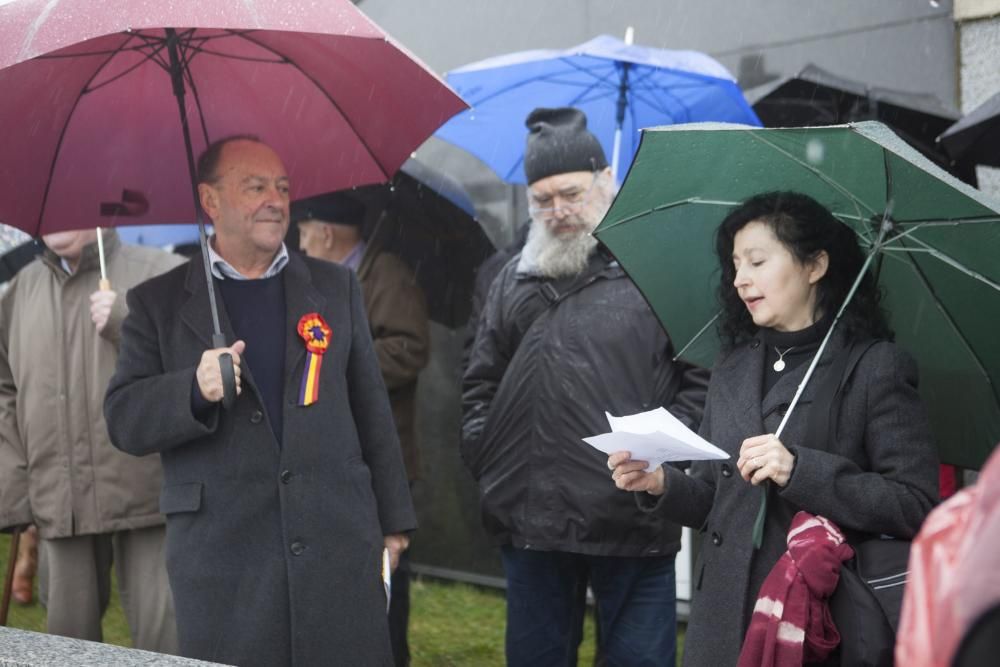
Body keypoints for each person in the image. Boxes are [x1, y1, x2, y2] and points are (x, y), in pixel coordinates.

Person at [103, 136, 416, 667]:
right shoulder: (156, 303)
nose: (276, 199)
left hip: (335, 541)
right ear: (210, 201)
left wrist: (394, 522)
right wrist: (192, 388)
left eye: (283, 187)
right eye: (255, 187)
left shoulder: (335, 288)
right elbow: (124, 418)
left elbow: (371, 411)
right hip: (223, 557)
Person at [609, 191, 939, 666]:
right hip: (721, 623)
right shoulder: (733, 366)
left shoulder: (874, 368)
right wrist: (660, 483)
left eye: (758, 261)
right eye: (735, 265)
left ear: (815, 265)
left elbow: (916, 504)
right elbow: (716, 502)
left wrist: (800, 469)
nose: (741, 279)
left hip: (815, 625)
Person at [462, 107, 709, 667]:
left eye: (570, 193)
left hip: (633, 515)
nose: (559, 211)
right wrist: (487, 455)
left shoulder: (659, 270)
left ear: (606, 182)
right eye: (543, 200)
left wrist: (661, 459)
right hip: (530, 521)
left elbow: (700, 381)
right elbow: (478, 382)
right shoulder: (510, 278)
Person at [0, 228, 182, 650]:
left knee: (165, 642)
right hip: (60, 501)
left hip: (147, 497)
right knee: (68, 644)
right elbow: (4, 386)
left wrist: (128, 322)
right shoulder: (20, 289)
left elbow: (197, 364)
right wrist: (12, 482)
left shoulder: (161, 273)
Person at [293, 191, 430, 667]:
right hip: (332, 456)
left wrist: (343, 361)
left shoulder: (386, 273)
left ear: (326, 233)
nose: (301, 246)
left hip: (382, 456)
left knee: (384, 577)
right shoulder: (315, 282)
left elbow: (412, 349)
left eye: (305, 236)